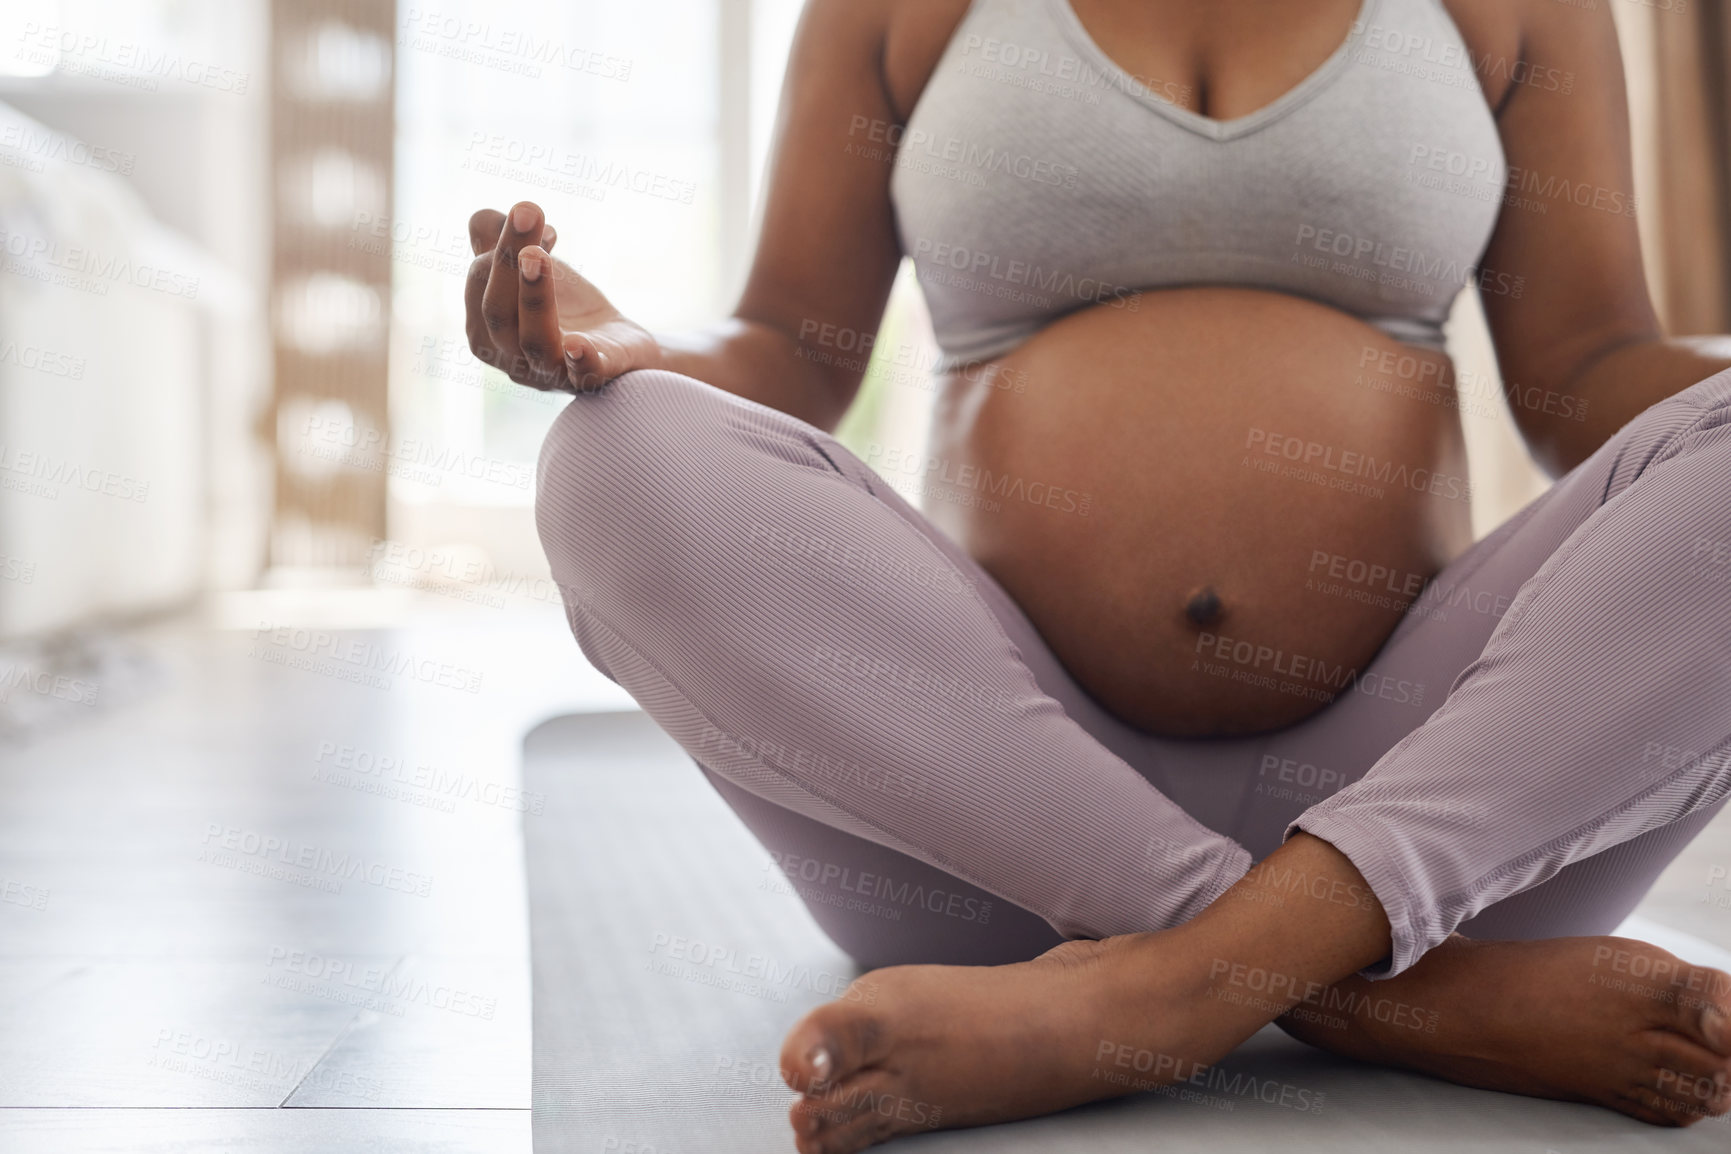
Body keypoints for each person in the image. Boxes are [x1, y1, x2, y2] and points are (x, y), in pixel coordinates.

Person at [464, 0, 1731, 1149]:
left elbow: (1590, 364)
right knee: (617, 458)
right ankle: (1381, 989)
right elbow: (793, 342)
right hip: (999, 823)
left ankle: (1163, 991)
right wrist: (629, 341)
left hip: (1432, 793)